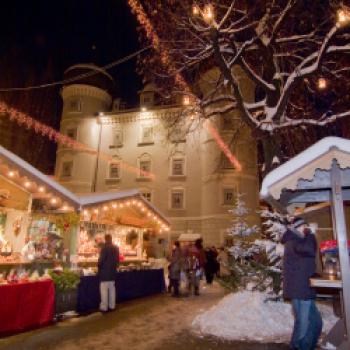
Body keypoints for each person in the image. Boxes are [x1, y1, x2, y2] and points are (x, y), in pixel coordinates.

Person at [281, 218, 322, 350]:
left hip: (299, 287)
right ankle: (301, 346)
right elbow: (310, 250)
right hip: (301, 288)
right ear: (297, 227)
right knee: (305, 322)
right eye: (304, 226)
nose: (305, 228)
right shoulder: (295, 240)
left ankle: (299, 345)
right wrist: (310, 234)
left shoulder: (294, 240)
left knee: (309, 321)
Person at [98, 234, 119, 312]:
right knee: (112, 290)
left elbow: (101, 260)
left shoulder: (104, 248)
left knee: (104, 290)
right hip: (113, 272)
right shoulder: (116, 248)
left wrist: (99, 267)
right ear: (111, 239)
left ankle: (104, 307)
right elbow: (117, 261)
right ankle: (112, 305)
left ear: (105, 239)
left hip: (104, 273)